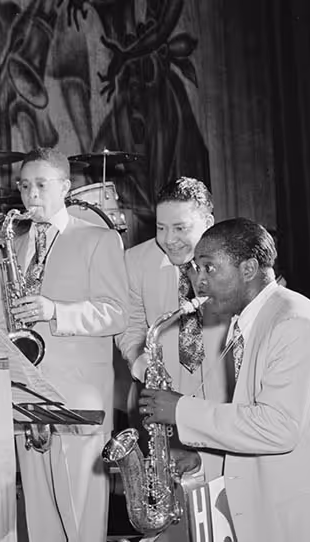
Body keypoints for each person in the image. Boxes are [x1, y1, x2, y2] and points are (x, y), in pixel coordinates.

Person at [139, 218, 310, 542]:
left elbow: (278, 427)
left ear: (249, 268)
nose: (198, 282)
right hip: (293, 502)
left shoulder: (294, 322)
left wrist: (181, 411)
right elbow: (253, 422)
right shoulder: (252, 322)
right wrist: (204, 460)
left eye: (209, 268)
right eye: (195, 269)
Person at [0, 147, 128, 542]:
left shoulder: (100, 239)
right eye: (25, 186)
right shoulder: (12, 247)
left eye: (41, 185)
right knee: (41, 520)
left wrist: (54, 311)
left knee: (81, 523)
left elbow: (116, 313)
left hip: (78, 401)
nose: (32, 195)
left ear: (65, 187)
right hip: (27, 398)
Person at [115, 177, 230, 511]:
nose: (169, 240)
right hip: (158, 402)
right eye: (161, 228)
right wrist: (139, 363)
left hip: (220, 404)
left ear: (208, 222)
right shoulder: (135, 261)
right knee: (167, 509)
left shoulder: (233, 261)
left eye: (180, 228)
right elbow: (131, 324)